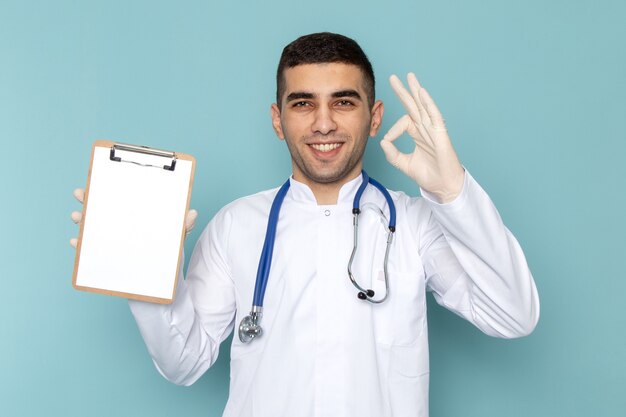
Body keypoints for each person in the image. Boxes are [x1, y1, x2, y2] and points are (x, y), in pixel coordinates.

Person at [71, 32, 539, 417]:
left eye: (343, 102)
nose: (322, 123)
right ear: (277, 119)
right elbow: (184, 363)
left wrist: (452, 192)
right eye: (301, 104)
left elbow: (514, 315)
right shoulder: (236, 225)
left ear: (374, 117)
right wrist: (142, 274)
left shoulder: (416, 223)